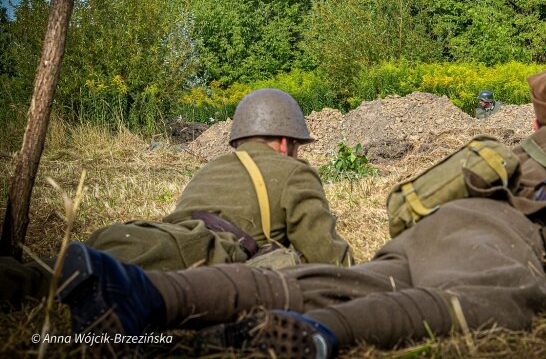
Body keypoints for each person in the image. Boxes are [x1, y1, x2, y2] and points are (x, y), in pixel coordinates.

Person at [57, 63, 546, 358]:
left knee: (327, 277)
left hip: (434, 225)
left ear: (537, 114)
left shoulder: (515, 145)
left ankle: (150, 294)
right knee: (472, 306)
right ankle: (319, 334)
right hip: (500, 236)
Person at [1, 88, 352, 308]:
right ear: (285, 141)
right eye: (297, 147)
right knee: (48, 282)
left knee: (41, 273)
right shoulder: (294, 171)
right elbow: (332, 262)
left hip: (142, 235)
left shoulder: (212, 168)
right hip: (188, 255)